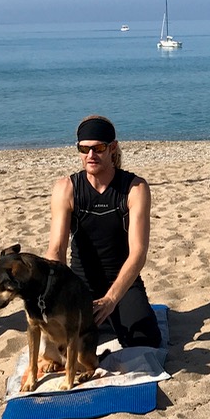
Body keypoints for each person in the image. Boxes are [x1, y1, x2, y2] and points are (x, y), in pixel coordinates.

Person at [47, 115, 162, 348]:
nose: (91, 155)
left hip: (122, 283)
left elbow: (138, 253)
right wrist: (59, 295)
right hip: (80, 284)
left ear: (112, 148)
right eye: (84, 149)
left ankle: (114, 316)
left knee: (145, 341)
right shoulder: (66, 188)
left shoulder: (135, 188)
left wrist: (111, 299)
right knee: (64, 344)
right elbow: (56, 250)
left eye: (98, 148)